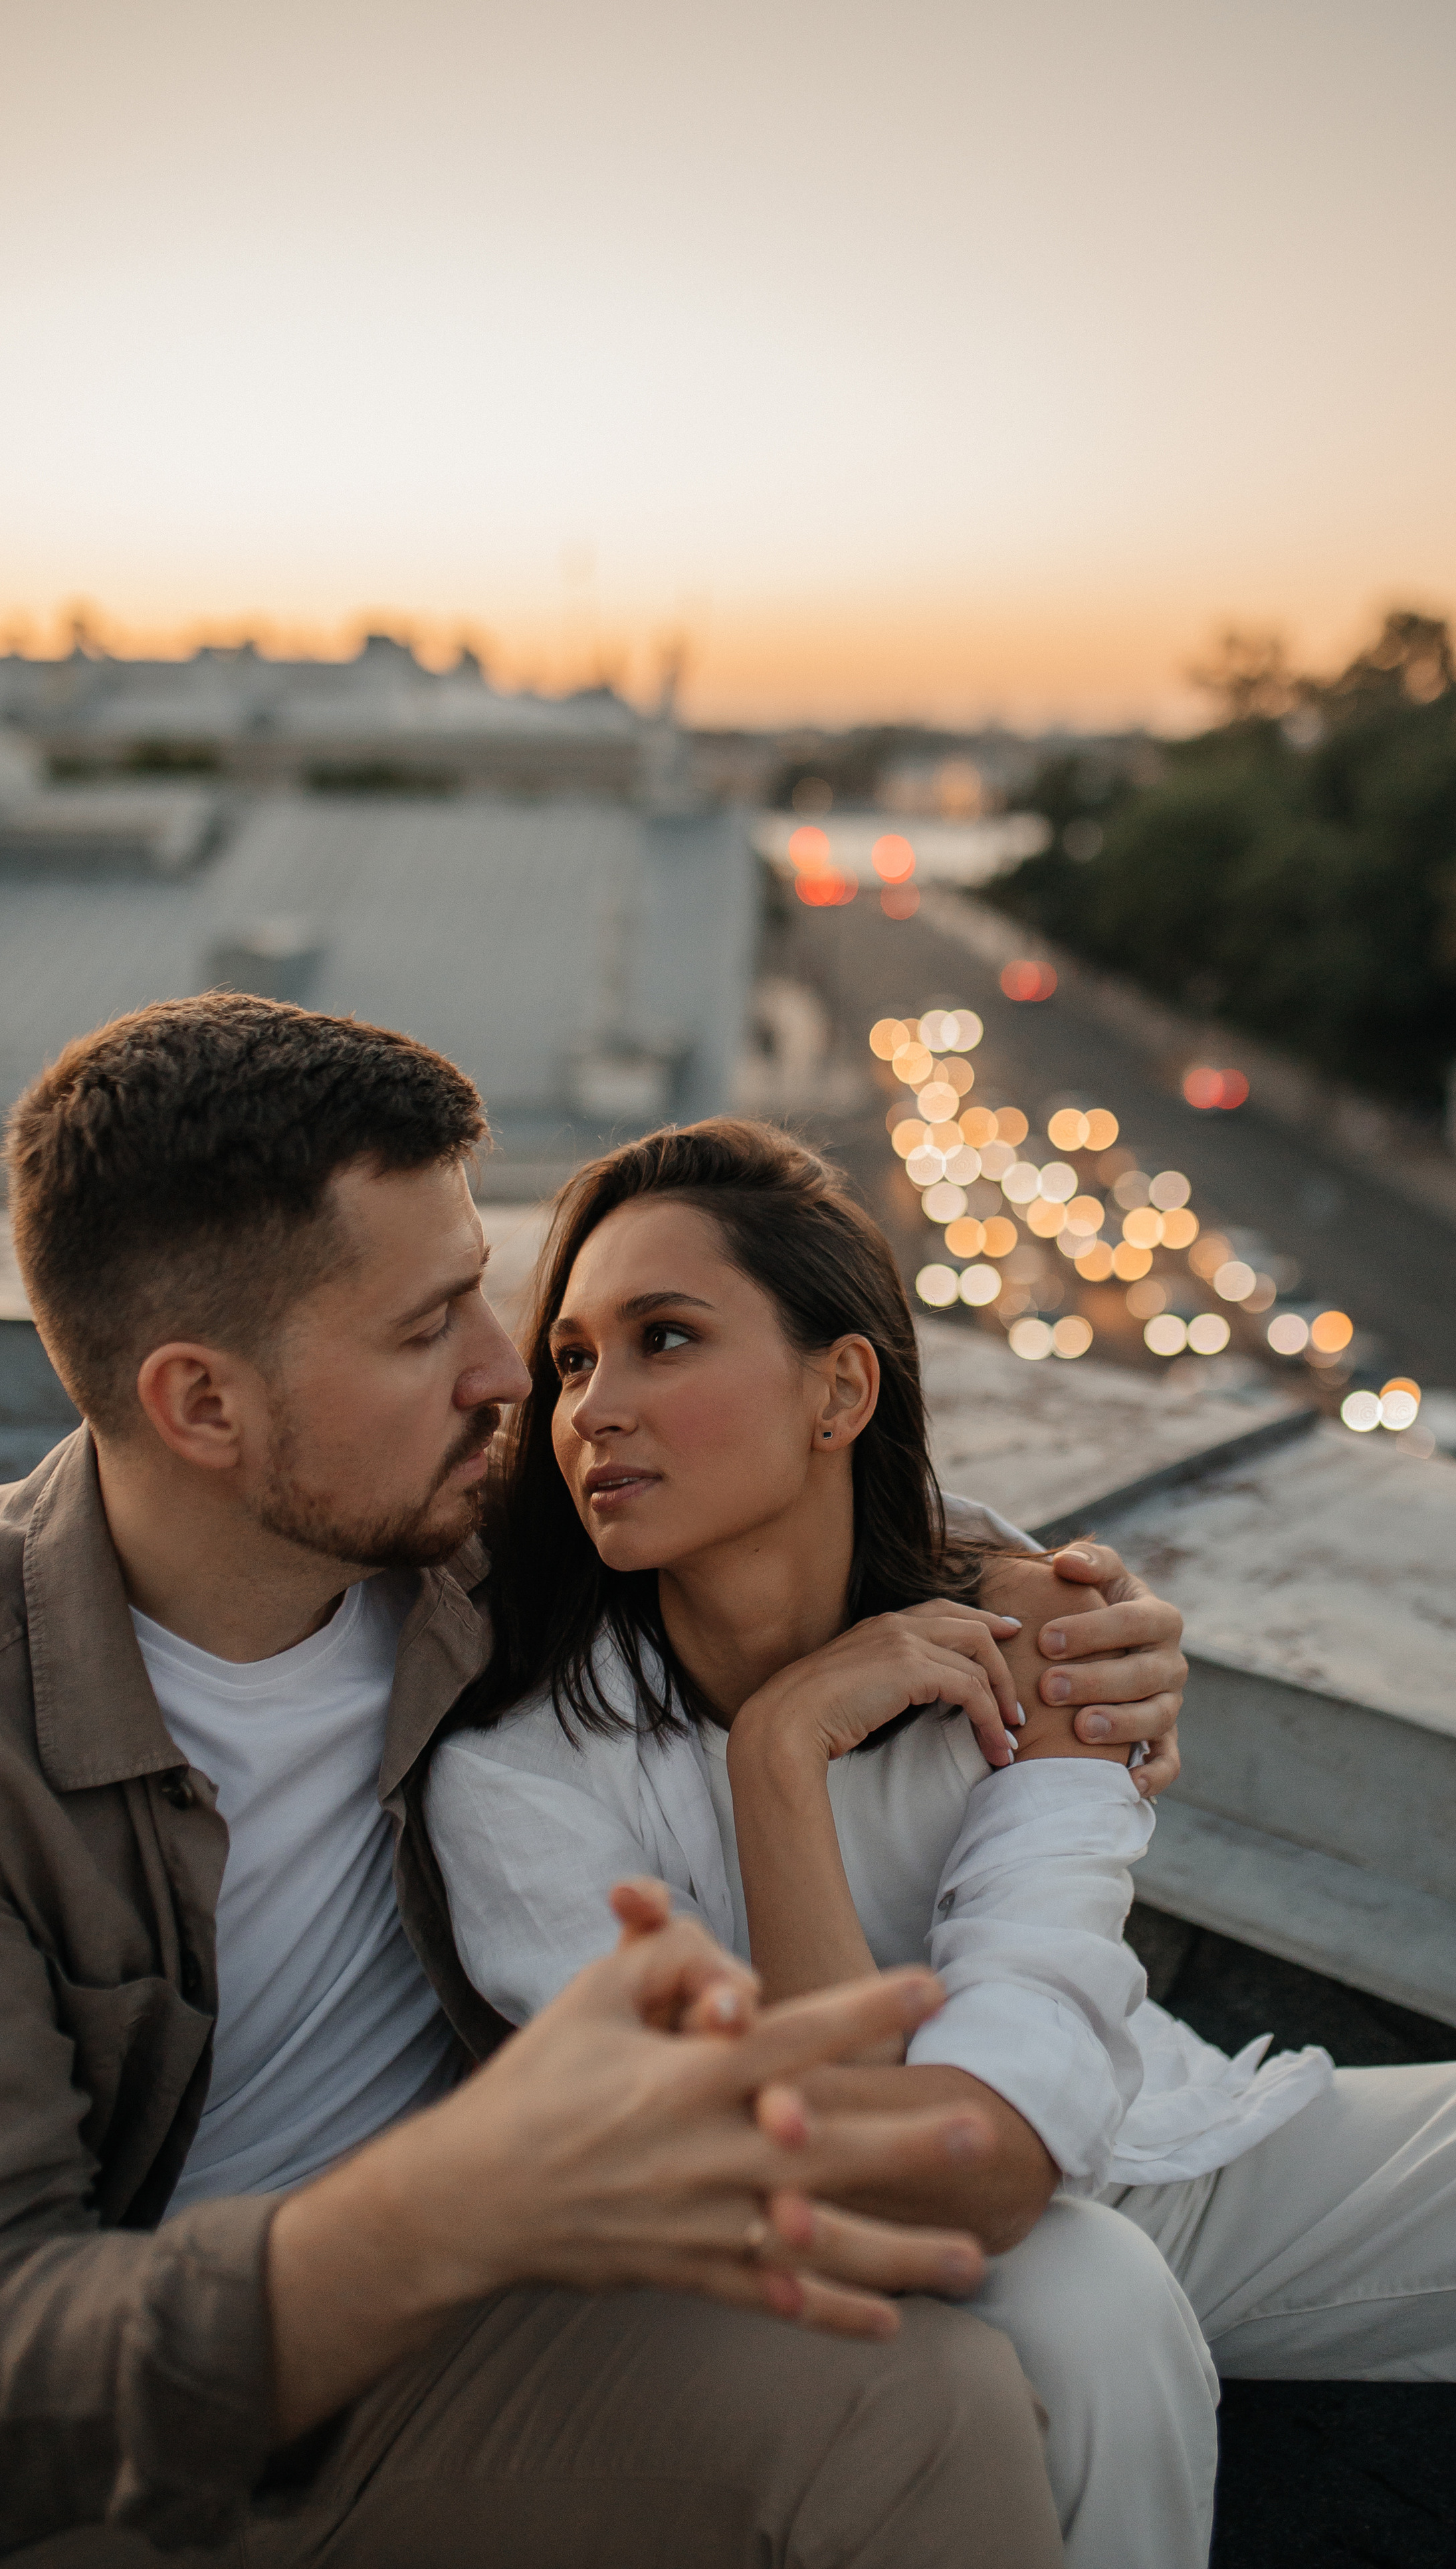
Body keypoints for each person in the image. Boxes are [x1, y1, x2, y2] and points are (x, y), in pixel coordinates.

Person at [426, 1117, 1456, 2569]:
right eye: (573, 1361)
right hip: (845, 2262)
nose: (593, 1407)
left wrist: (995, 1593)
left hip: (1157, 2143)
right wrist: (776, 1754)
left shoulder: (1031, 1637)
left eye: (663, 1339)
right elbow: (866, 2175)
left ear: (839, 1389)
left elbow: (1033, 2020)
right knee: (1094, 2306)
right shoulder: (519, 1790)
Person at [0, 993, 1185, 2566]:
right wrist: (439, 2204)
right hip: (154, 2443)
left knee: (939, 2401)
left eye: (483, 1300)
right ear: (202, 1404)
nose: (510, 1379)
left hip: (488, 2333)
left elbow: (770, 1491)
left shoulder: (457, 1537)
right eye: (428, 1329)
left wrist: (1044, 1607)